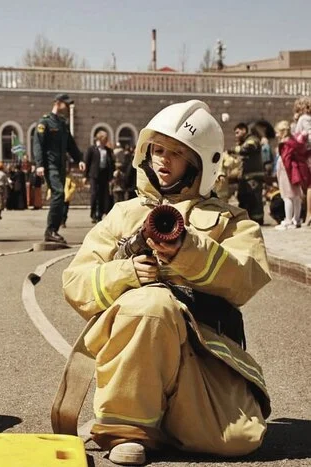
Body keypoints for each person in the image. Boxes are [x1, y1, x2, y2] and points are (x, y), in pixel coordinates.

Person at [60, 100, 271, 465]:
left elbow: (247, 277)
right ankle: (127, 428)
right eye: (158, 149)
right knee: (151, 304)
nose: (163, 160)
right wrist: (125, 274)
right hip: (139, 340)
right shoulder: (123, 214)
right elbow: (75, 281)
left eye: (176, 153)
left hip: (201, 351)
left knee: (238, 440)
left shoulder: (231, 221)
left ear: (201, 163)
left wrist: (188, 250)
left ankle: (162, 417)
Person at [33, 94, 85, 243]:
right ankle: (51, 230)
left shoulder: (62, 123)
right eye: (66, 104)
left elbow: (70, 144)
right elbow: (38, 144)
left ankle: (53, 230)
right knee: (58, 193)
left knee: (60, 196)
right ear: (57, 103)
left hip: (61, 166)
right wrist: (39, 164)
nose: (68, 108)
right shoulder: (45, 123)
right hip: (50, 165)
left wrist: (79, 159)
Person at [275, 120, 310, 229]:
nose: (276, 134)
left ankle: (288, 220)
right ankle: (296, 219)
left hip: (287, 171)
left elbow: (285, 159)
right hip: (295, 171)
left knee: (287, 196)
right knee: (296, 196)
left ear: (282, 132)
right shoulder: (294, 142)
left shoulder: (285, 144)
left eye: (277, 132)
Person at [230, 122, 265, 225]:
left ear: (244, 130)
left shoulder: (252, 139)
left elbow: (247, 149)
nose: (236, 135)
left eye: (237, 132)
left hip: (253, 178)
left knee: (254, 200)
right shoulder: (244, 141)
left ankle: (257, 221)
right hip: (245, 178)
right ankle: (245, 222)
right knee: (243, 199)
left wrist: (232, 150)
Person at [85, 130, 116, 223]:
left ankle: (100, 214)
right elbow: (87, 162)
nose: (106, 140)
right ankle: (93, 214)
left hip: (104, 175)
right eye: (104, 138)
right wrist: (85, 176)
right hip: (94, 175)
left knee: (103, 195)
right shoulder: (92, 149)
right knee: (94, 194)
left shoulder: (108, 150)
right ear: (99, 139)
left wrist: (112, 177)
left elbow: (111, 164)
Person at [292, 97, 311, 225]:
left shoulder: (303, 119)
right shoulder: (305, 119)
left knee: (309, 186)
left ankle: (308, 215)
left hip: (306, 154)